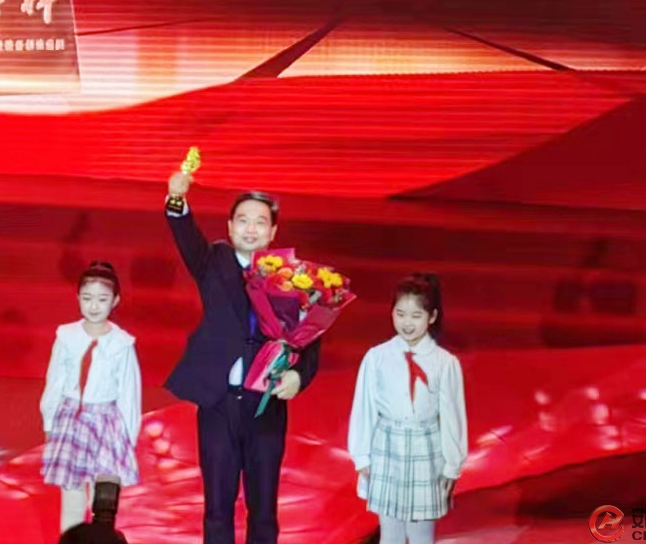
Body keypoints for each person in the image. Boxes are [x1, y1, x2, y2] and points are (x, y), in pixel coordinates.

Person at [165, 170, 321, 543]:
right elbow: (186, 236)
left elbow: (312, 335)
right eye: (243, 220)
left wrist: (299, 376)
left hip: (265, 405)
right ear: (230, 227)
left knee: (263, 510)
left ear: (273, 231)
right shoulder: (213, 260)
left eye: (260, 222)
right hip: (219, 403)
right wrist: (176, 199)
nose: (251, 229)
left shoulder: (292, 277)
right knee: (217, 508)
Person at [347, 274, 468, 544]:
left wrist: (452, 464)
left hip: (427, 449)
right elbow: (364, 407)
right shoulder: (377, 357)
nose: (407, 323)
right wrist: (362, 455)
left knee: (421, 534)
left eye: (416, 316)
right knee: (390, 532)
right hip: (387, 447)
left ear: (432, 317)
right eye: (400, 314)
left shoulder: (444, 362)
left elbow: (452, 416)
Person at [40, 261, 142, 533]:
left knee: (104, 499)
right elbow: (55, 381)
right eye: (87, 298)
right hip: (71, 421)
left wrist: (129, 438)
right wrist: (49, 422)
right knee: (72, 496)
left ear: (115, 300)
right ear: (77, 298)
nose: (94, 306)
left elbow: (129, 394)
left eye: (102, 299)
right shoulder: (66, 336)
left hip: (107, 424)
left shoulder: (122, 343)